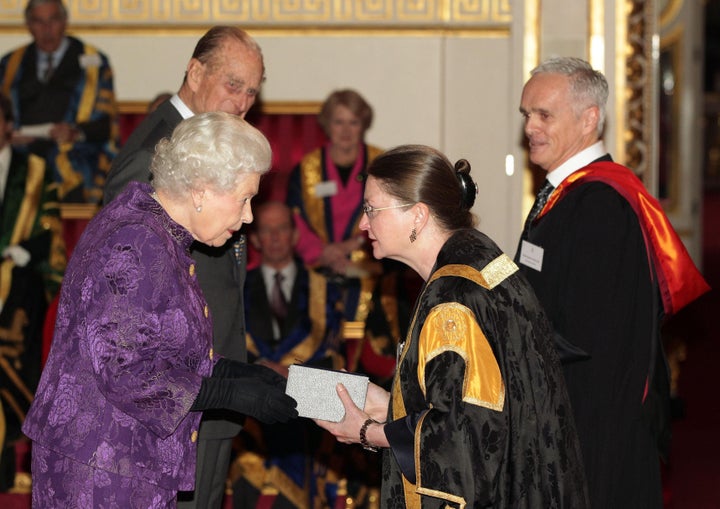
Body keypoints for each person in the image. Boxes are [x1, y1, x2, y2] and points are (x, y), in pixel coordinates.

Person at [21, 112, 298, 508]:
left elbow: (161, 346)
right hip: (102, 470)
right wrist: (227, 392)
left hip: (122, 462)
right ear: (202, 190)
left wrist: (242, 374)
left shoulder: (158, 232)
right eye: (244, 198)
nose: (249, 215)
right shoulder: (137, 241)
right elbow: (124, 370)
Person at [317, 144, 589, 507]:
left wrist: (369, 431)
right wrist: (393, 405)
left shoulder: (452, 301)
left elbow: (464, 437)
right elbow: (481, 401)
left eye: (371, 209)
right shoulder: (478, 254)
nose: (363, 223)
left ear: (417, 215)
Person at [515, 56, 710, 508]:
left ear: (590, 119)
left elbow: (593, 347)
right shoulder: (563, 192)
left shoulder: (602, 205)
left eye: (544, 114)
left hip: (590, 432)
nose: (530, 127)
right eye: (526, 115)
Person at [102, 26, 266, 508]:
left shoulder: (208, 142)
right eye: (232, 85)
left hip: (208, 383)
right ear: (195, 72)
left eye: (252, 91)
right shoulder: (157, 152)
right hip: (175, 398)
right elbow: (125, 297)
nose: (241, 102)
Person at [234, 200, 345, 509]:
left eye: (282, 228)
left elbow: (336, 359)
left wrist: (292, 375)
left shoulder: (326, 290)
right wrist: (261, 369)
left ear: (295, 235)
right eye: (266, 230)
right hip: (251, 418)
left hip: (307, 417)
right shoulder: (236, 289)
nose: (275, 237)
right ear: (255, 238)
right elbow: (225, 351)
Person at [0, 90, 65, 491]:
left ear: (8, 124)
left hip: (18, 288)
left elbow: (52, 227)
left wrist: (24, 252)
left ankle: (11, 464)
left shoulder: (36, 169)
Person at [0, 0, 118, 204]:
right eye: (38, 21)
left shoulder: (94, 63)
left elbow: (106, 126)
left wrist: (75, 132)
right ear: (28, 24)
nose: (47, 29)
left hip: (75, 157)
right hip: (21, 154)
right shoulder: (10, 64)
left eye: (53, 20)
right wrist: (8, 134)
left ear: (64, 21)